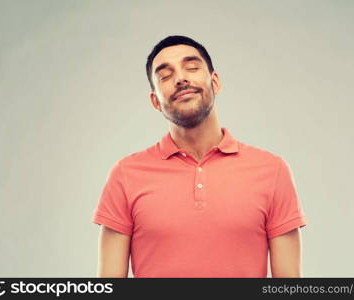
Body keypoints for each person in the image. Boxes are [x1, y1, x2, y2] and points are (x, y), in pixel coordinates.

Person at [92, 35, 307, 278]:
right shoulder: (125, 174)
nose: (181, 78)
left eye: (192, 68)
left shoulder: (272, 170)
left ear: (215, 82)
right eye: (165, 76)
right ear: (155, 101)